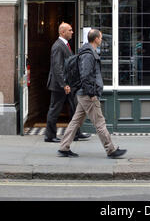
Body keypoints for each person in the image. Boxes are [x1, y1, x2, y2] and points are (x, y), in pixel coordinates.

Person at [58, 29, 127, 159]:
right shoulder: (88, 55)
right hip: (87, 94)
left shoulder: (87, 52)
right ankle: (111, 149)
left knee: (75, 121)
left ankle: (63, 147)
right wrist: (91, 93)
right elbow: (85, 76)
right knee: (100, 122)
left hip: (83, 93)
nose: (101, 40)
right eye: (100, 38)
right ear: (95, 39)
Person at [44, 22, 90, 143]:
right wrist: (64, 84)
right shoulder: (58, 46)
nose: (72, 32)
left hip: (69, 84)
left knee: (75, 108)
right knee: (55, 109)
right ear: (62, 32)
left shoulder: (65, 44)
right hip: (60, 85)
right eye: (70, 30)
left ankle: (76, 133)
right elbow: (57, 67)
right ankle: (49, 135)